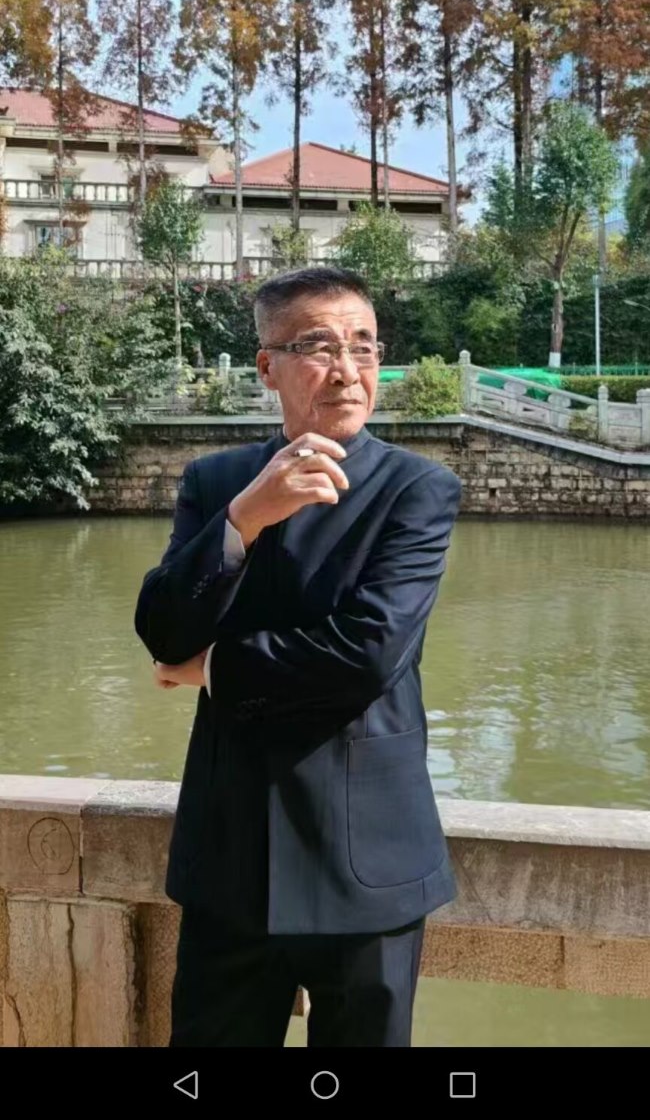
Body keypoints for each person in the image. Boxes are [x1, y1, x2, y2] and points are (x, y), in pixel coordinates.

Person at [134, 266, 461, 1048]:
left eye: (364, 346)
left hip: (366, 862)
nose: (347, 369)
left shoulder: (416, 490)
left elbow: (367, 654)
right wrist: (246, 517)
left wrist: (212, 669)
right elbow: (163, 631)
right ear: (267, 366)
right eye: (318, 346)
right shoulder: (217, 482)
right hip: (229, 859)